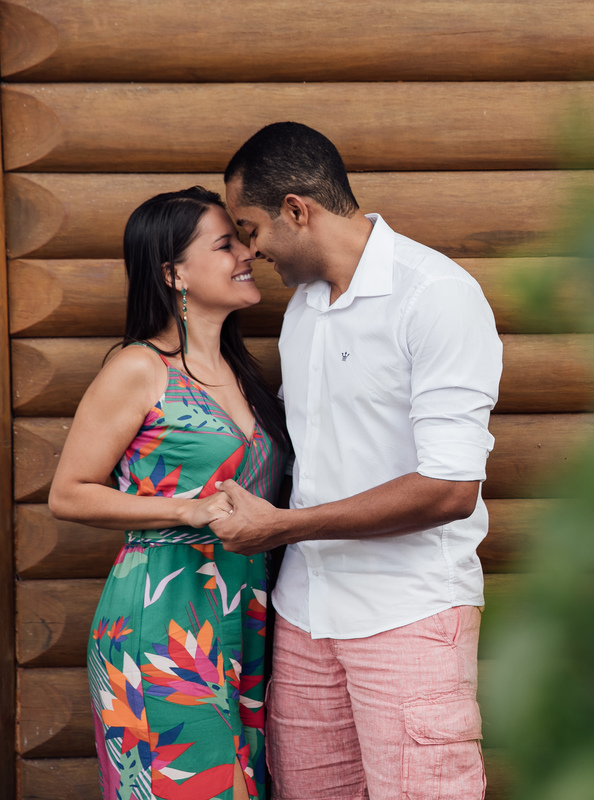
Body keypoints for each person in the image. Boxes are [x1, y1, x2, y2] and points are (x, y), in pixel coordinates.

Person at [211, 122, 502, 800]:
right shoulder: (305, 308)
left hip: (407, 612)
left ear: (297, 210)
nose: (250, 253)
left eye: (250, 230)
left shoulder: (435, 295)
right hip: (306, 616)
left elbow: (450, 489)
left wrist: (281, 526)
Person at [48, 187, 287, 800]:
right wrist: (186, 508)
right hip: (164, 615)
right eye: (225, 244)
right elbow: (69, 493)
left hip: (243, 615)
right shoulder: (138, 368)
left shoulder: (243, 373)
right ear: (174, 272)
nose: (246, 253)